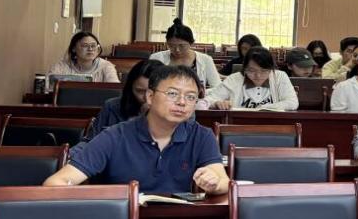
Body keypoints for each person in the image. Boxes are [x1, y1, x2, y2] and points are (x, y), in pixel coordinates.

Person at [43, 65, 229, 195]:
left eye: (190, 97)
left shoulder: (202, 136)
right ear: (150, 96)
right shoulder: (114, 136)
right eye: (172, 94)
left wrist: (214, 183)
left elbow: (224, 182)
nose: (182, 102)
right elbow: (55, 183)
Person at [205, 46, 299, 111]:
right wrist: (216, 103)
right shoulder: (234, 79)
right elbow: (207, 100)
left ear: (271, 69)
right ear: (244, 68)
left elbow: (292, 102)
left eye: (264, 71)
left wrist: (264, 108)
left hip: (272, 125)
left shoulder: (279, 76)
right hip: (238, 126)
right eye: (252, 70)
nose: (258, 76)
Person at [87, 59, 161, 138]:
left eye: (153, 92)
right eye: (140, 91)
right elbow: (90, 140)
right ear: (130, 88)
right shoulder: (112, 106)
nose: (146, 97)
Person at [150, 19, 222, 89]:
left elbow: (217, 87)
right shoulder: (156, 58)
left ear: (191, 43)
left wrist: (200, 93)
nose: (177, 50)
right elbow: (149, 84)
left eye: (182, 46)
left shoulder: (205, 60)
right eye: (171, 46)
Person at [48, 31, 119, 83]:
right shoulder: (62, 66)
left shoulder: (106, 66)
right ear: (74, 48)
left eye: (93, 45)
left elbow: (114, 90)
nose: (90, 49)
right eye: (85, 45)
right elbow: (49, 84)